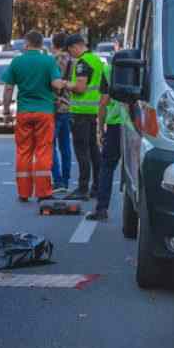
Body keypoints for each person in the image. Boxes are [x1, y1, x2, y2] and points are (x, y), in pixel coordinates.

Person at [2, 31, 68, 202]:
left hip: (24, 112)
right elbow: (55, 83)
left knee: (23, 151)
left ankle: (23, 193)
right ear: (41, 44)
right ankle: (43, 192)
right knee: (43, 151)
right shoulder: (48, 61)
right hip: (45, 112)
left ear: (26, 43)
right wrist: (62, 86)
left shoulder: (17, 61)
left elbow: (8, 88)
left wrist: (6, 111)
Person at [65, 33, 104, 199]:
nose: (70, 54)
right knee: (94, 151)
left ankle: (82, 189)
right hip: (93, 111)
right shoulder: (96, 60)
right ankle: (97, 186)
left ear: (76, 46)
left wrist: (66, 84)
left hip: (81, 113)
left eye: (70, 51)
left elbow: (80, 87)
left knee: (82, 152)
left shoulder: (82, 63)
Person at [87, 63, 126, 221]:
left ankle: (102, 208)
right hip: (139, 123)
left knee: (107, 165)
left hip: (116, 124)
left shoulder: (110, 69)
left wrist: (100, 129)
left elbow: (104, 101)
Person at [50, 32, 73, 193]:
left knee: (50, 145)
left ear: (54, 44)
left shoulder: (54, 61)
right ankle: (65, 180)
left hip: (55, 106)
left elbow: (52, 83)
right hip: (71, 107)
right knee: (66, 146)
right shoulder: (75, 60)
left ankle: (57, 181)